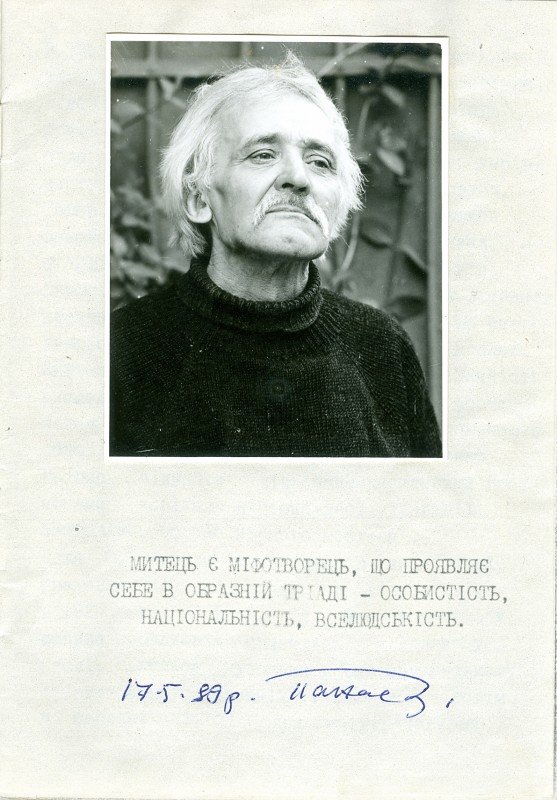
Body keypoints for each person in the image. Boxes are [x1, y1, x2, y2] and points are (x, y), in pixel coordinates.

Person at [110, 54, 441, 457]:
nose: (299, 178)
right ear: (199, 199)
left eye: (320, 162)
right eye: (263, 154)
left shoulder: (382, 348)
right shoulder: (123, 350)